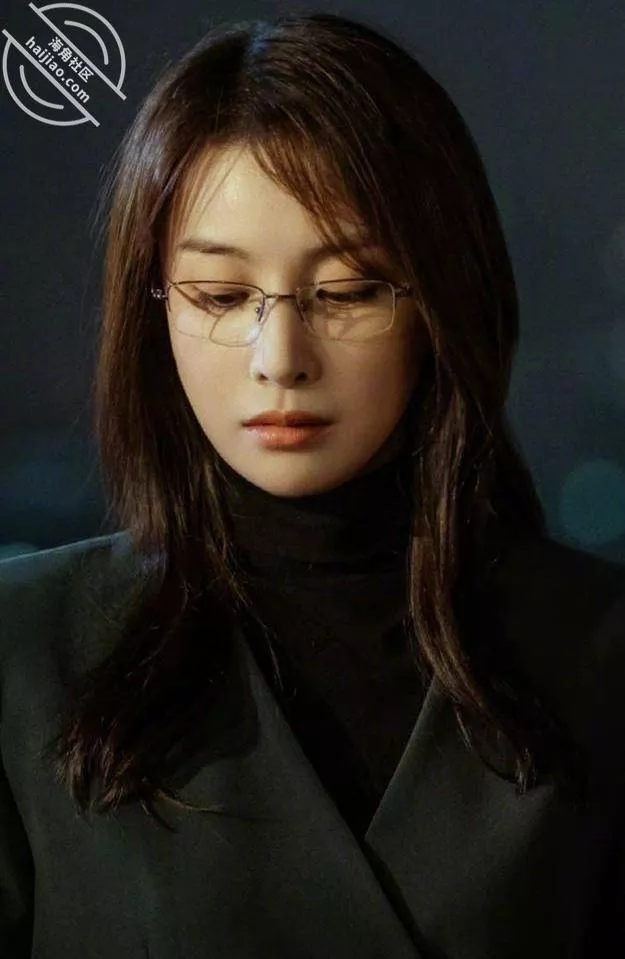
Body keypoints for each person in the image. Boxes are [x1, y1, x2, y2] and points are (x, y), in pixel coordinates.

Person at [1, 11, 624, 958]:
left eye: (347, 292)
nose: (279, 356)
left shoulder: (599, 653)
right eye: (221, 296)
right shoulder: (22, 654)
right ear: (152, 307)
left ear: (443, 300)